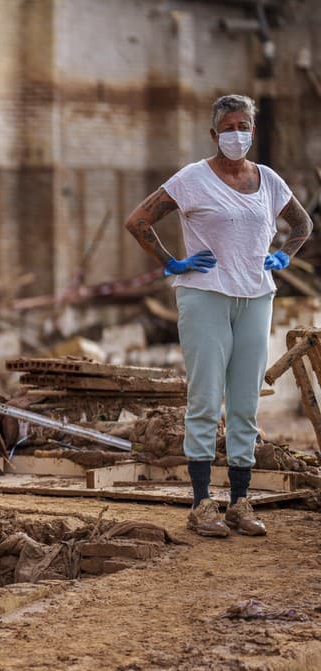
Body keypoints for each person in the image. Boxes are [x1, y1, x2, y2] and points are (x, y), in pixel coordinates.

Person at [125, 94, 313, 538]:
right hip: (205, 296)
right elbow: (139, 221)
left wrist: (283, 255)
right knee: (207, 398)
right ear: (214, 134)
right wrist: (172, 261)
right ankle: (201, 503)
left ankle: (240, 503)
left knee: (246, 401)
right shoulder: (193, 179)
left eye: (244, 126)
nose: (237, 134)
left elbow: (302, 225)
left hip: (256, 297)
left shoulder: (267, 180)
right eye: (228, 127)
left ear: (253, 131)